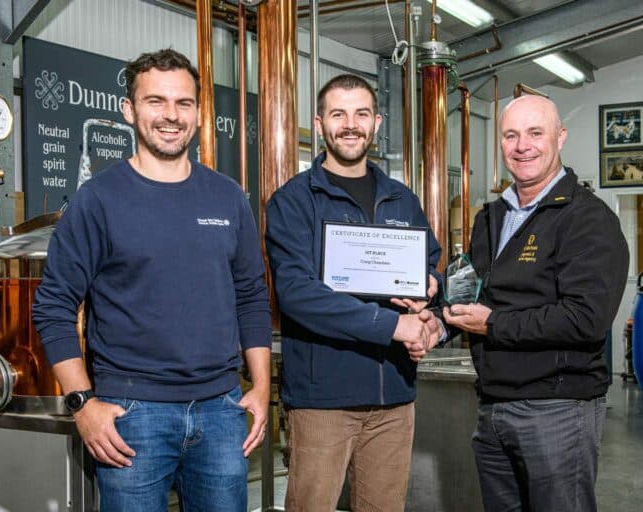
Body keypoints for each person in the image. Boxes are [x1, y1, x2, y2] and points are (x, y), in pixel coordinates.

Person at [32, 49, 272, 512]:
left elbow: (251, 296)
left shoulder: (227, 198)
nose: (170, 116)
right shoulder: (97, 200)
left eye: (183, 103)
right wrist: (82, 403)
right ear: (129, 110)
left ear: (199, 114)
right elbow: (54, 305)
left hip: (221, 411)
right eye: (155, 101)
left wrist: (260, 386)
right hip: (130, 413)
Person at [265, 74, 444, 512]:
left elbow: (430, 273)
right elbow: (298, 295)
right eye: (338, 114)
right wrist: (394, 326)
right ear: (320, 122)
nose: (350, 124)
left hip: (394, 400)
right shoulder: (293, 202)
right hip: (324, 401)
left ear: (377, 123)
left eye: (361, 114)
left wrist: (431, 316)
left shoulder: (402, 200)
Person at [443, 94, 629, 512]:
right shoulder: (489, 218)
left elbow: (586, 319)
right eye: (511, 135)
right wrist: (433, 314)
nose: (522, 145)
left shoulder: (588, 219)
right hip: (492, 406)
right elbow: (471, 291)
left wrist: (494, 325)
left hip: (557, 409)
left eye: (535, 133)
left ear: (560, 137)